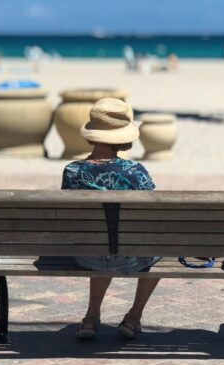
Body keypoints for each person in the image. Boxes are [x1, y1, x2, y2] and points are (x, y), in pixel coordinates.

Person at [61, 98, 161, 340]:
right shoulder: (136, 172)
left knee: (101, 238)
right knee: (160, 246)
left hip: (86, 256)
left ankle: (91, 317)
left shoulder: (72, 172)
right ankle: (134, 316)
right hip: (130, 258)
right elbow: (152, 214)